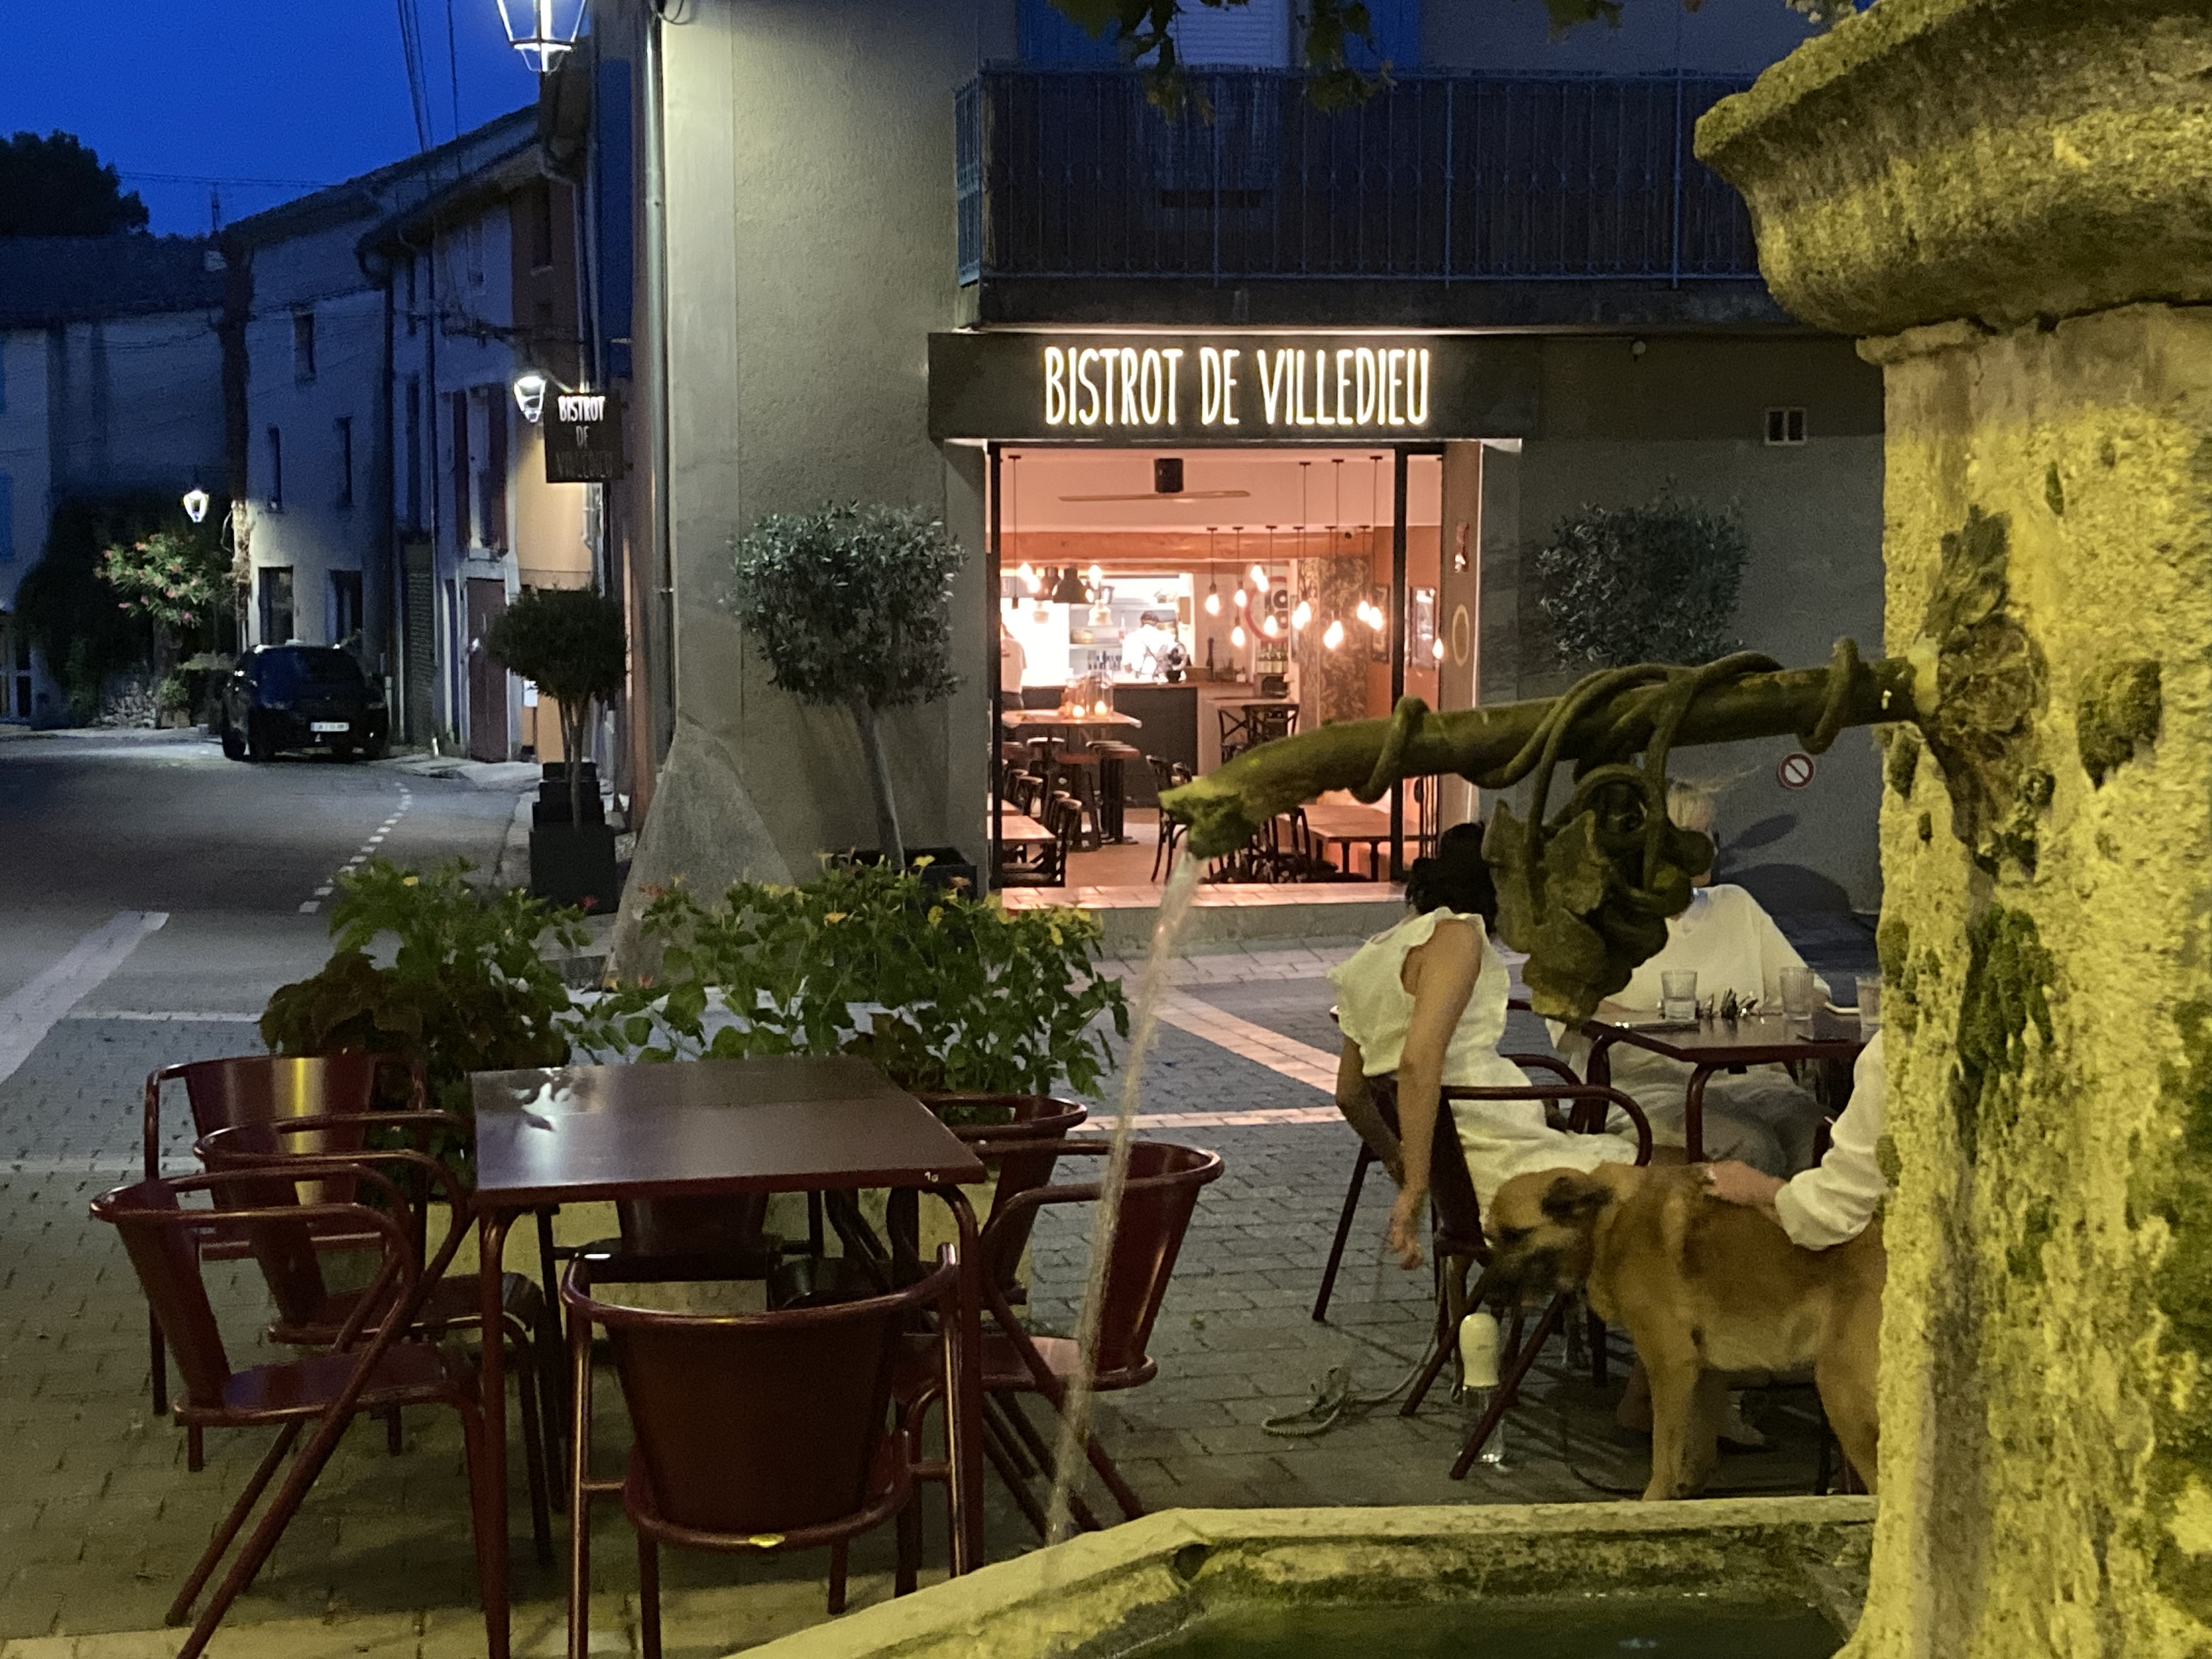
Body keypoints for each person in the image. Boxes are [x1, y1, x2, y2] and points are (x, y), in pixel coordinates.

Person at [1328, 822, 1641, 1269]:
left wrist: (1399, 1158)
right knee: (1679, 1171)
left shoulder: (1372, 957)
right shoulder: (1457, 936)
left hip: (1465, 1169)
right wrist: (1414, 1185)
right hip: (1503, 1162)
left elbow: (1350, 1093)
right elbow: (1419, 1062)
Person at [1550, 780, 1832, 1177]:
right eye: (1696, 836)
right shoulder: (1600, 920)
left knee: (1821, 1138)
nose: (1710, 848)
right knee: (1749, 1147)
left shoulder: (1735, 905)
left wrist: (1757, 1023)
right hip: (1643, 1089)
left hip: (1750, 1081)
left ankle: (1789, 1218)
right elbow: (1571, 1009)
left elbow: (1810, 993)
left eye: (1711, 834)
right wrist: (1677, 1025)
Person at [1707, 1029, 1888, 1246]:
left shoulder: (1893, 1051)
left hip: (1904, 1251)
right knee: (1777, 1144)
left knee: (1762, 1148)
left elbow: (1838, 1208)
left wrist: (1763, 1190)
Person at [1120, 613, 1178, 682]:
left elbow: (1127, 669)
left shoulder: (1129, 638)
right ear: (1157, 623)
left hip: (1139, 681)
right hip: (1161, 680)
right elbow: (1175, 662)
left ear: (1141, 622)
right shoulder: (1168, 637)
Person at [998, 615, 1028, 698]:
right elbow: (1022, 667)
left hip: (999, 695)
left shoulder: (992, 647)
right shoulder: (1018, 646)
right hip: (1015, 696)